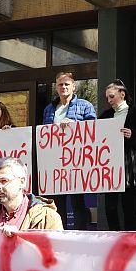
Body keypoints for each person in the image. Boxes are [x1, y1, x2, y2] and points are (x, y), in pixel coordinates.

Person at [42, 71, 97, 230]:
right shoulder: (49, 109)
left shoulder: (85, 105)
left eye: (67, 84)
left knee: (77, 201)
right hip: (55, 161)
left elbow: (93, 129)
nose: (63, 87)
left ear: (73, 86)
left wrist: (74, 124)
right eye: (60, 84)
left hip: (76, 160)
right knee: (57, 203)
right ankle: (60, 234)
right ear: (56, 88)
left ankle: (79, 236)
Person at [98, 79, 136, 230]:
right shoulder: (105, 115)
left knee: (129, 206)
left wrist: (132, 135)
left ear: (122, 94)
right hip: (110, 165)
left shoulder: (135, 112)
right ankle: (114, 237)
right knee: (110, 206)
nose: (109, 100)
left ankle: (130, 238)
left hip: (129, 166)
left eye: (112, 96)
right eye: (107, 98)